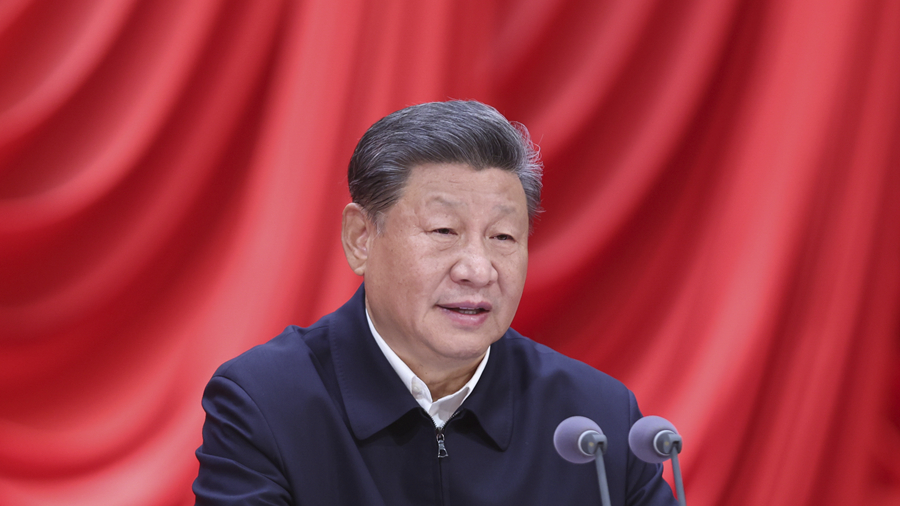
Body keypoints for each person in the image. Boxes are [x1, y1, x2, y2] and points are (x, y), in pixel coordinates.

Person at [193, 100, 677, 505]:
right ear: (362, 238)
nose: (479, 268)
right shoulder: (265, 404)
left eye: (503, 236)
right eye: (444, 231)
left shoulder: (596, 420)